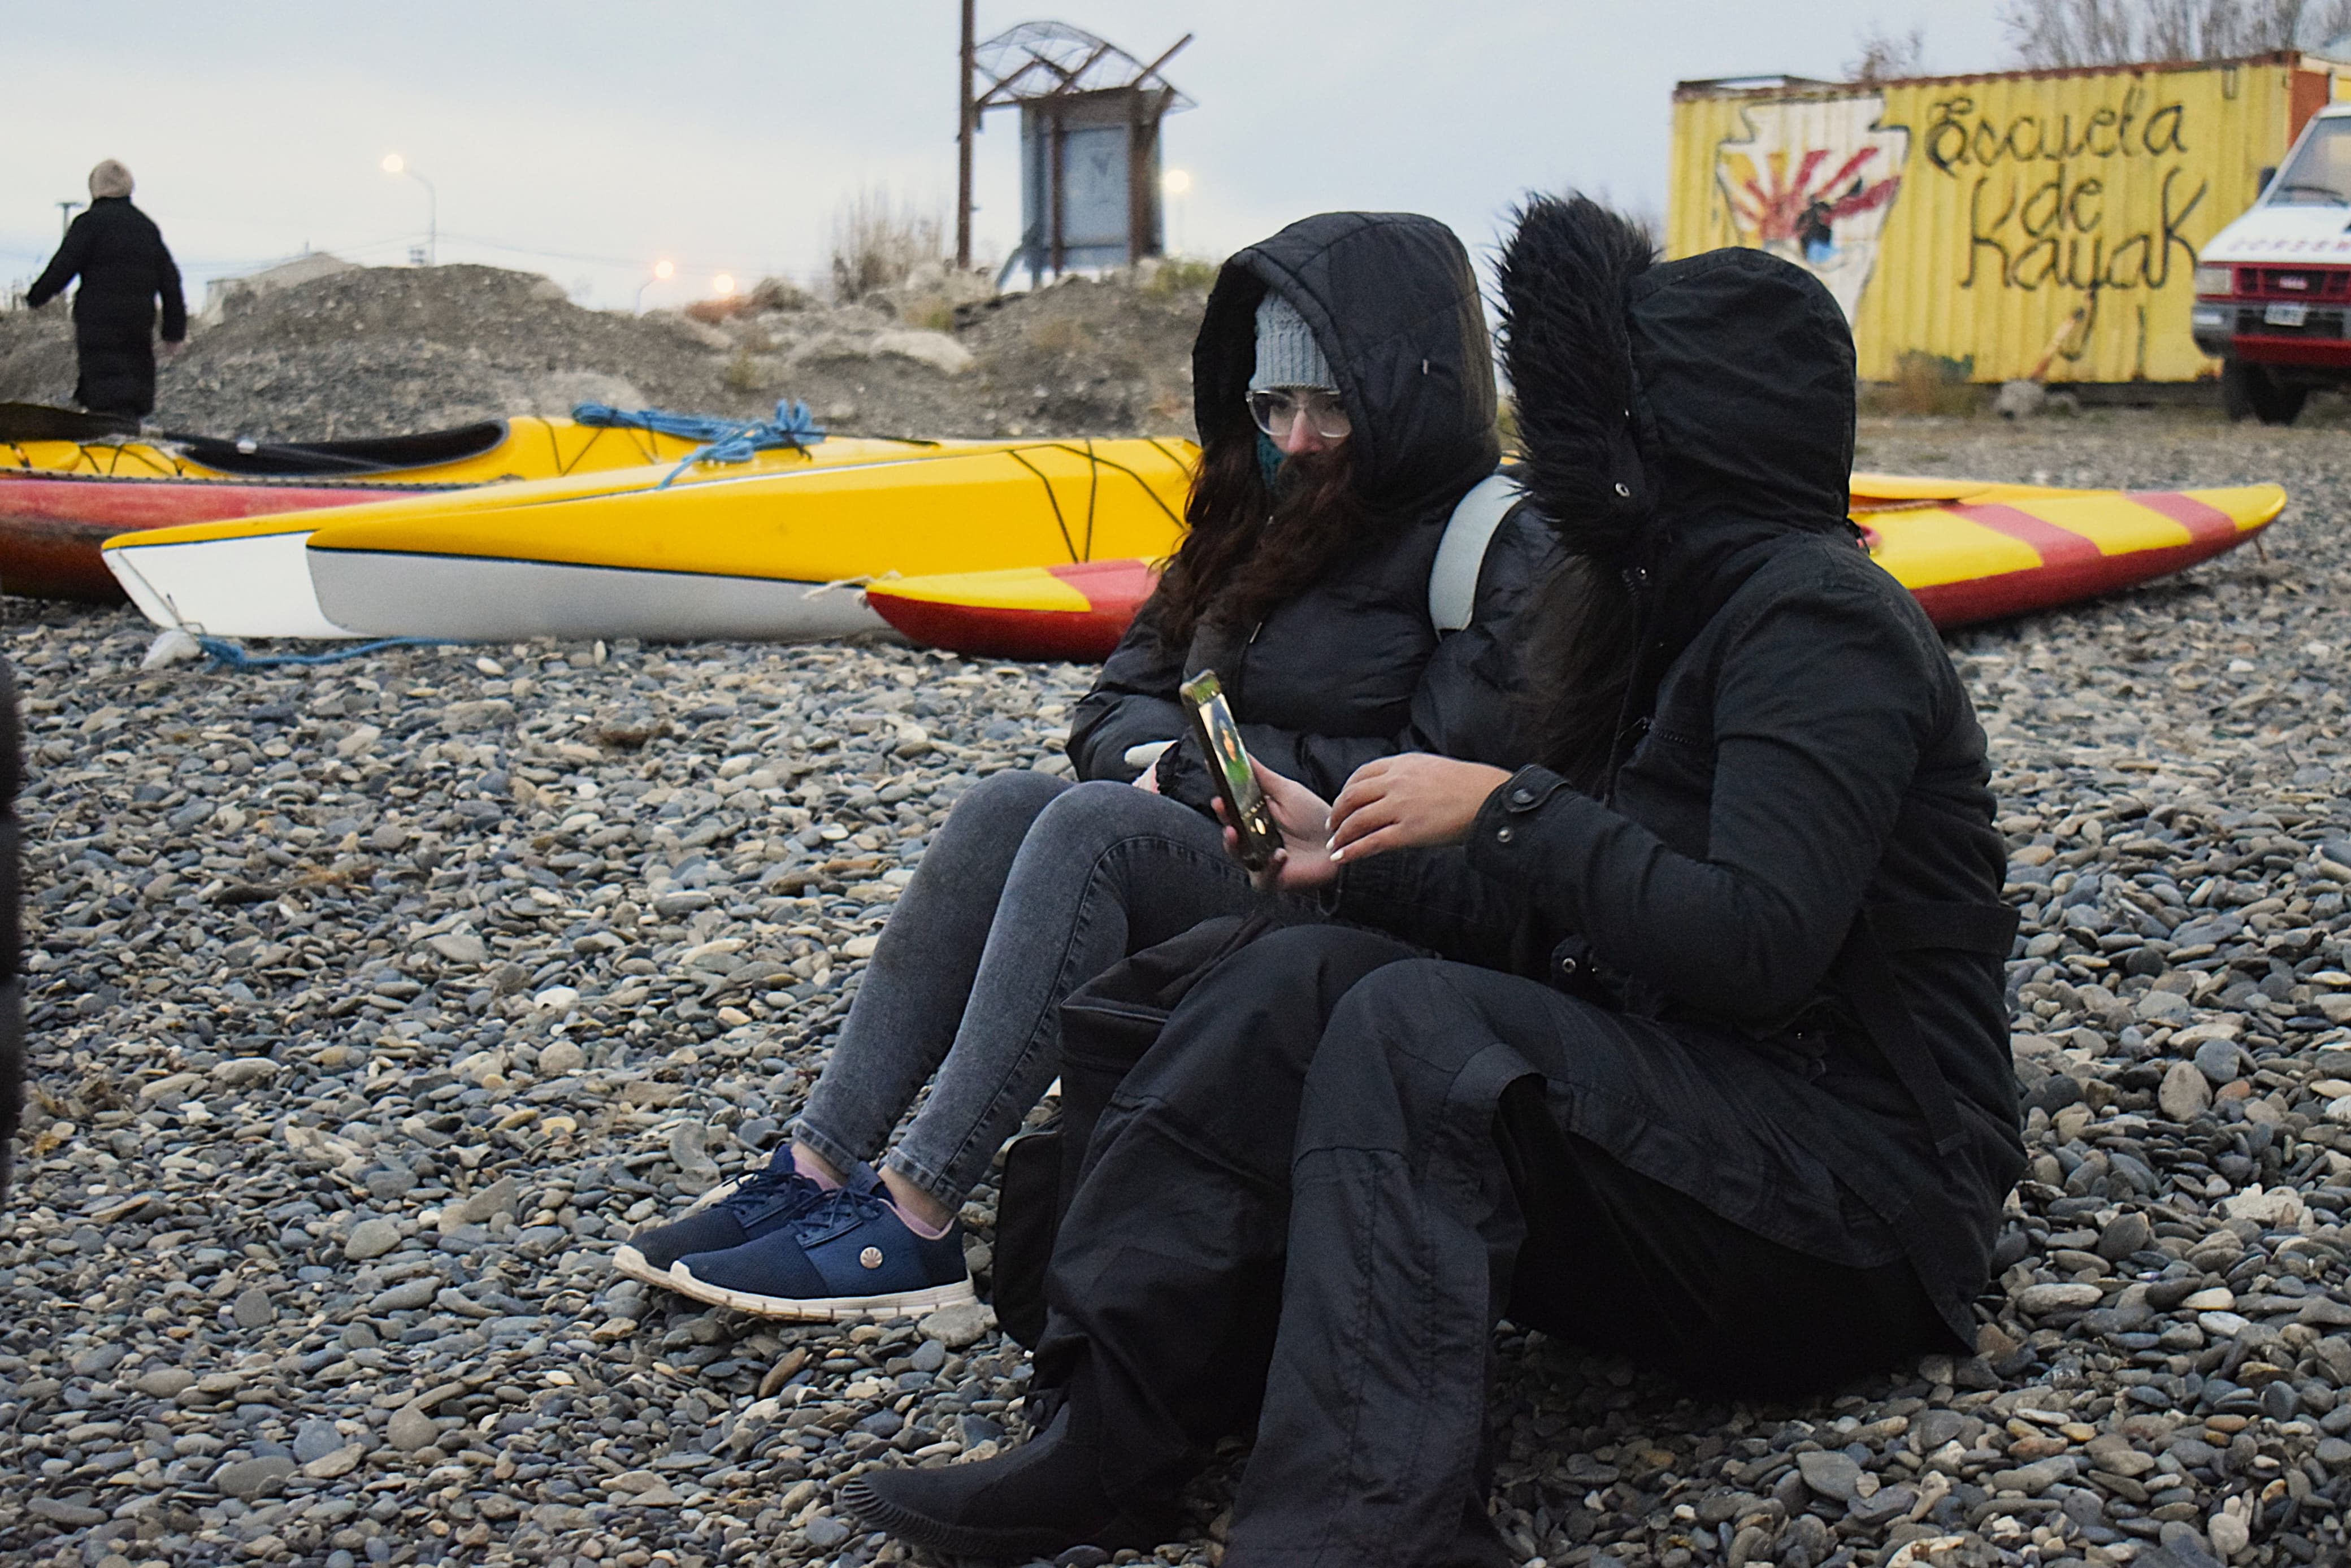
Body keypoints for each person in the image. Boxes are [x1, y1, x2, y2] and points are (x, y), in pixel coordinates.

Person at [840, 196, 2023, 1566]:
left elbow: (1755, 941)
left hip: (1857, 1199)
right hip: (1694, 1114)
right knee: (1289, 970)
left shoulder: (1819, 624)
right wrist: (1341, 857)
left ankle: (1360, 1534)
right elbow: (1566, 933)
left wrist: (1510, 813)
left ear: (1680, 433)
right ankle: (1108, 1433)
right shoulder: (1649, 605)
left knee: (1419, 1035)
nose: (1577, 454)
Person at [612, 211, 1556, 1322]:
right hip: (1230, 844)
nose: (1298, 439)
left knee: (1087, 828)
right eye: (1273, 406)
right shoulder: (1244, 516)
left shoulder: (1495, 546)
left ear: (1412, 395)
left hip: (1374, 904)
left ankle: (915, 1217)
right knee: (1008, 804)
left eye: (1333, 407)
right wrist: (1170, 762)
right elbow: (1114, 702)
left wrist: (1222, 775)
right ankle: (817, 1168)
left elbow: (1452, 784)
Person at [27, 160, 186, 421]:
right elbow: (171, 281)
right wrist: (174, 332)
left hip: (98, 322)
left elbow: (62, 267)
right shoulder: (146, 228)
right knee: (132, 382)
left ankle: (105, 436)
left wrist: (36, 297)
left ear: (95, 187)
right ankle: (129, 431)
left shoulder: (90, 224)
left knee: (103, 384)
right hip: (138, 321)